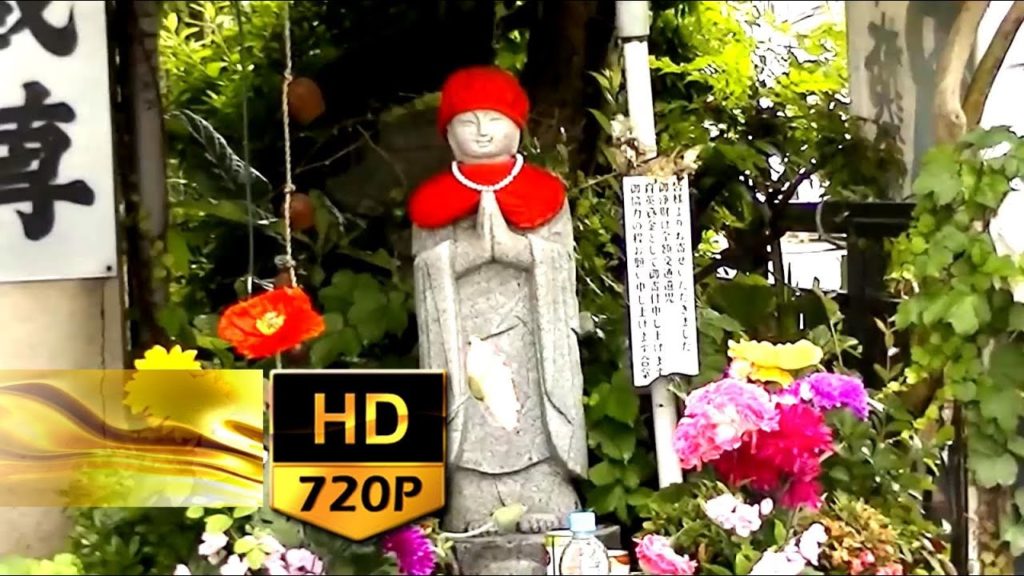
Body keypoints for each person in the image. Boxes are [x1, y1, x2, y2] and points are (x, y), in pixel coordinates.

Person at [409, 66, 587, 534]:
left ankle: (544, 483)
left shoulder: (546, 194)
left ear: (517, 128)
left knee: (533, 411)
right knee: (473, 409)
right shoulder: (430, 203)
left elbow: (561, 262)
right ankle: (474, 492)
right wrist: (463, 255)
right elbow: (425, 268)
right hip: (464, 333)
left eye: (493, 119)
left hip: (529, 332)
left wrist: (518, 251)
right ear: (448, 134)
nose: (482, 131)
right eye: (468, 121)